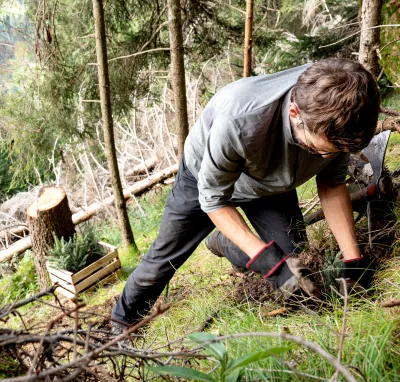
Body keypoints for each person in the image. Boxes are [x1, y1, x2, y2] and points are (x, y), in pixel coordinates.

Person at [112, 58, 380, 327]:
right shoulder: (240, 117)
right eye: (318, 149)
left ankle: (229, 243)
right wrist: (271, 266)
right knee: (160, 264)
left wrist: (352, 260)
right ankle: (120, 326)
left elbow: (332, 185)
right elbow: (214, 199)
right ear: (295, 113)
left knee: (294, 263)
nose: (325, 157)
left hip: (271, 184)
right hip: (205, 181)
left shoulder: (343, 107)